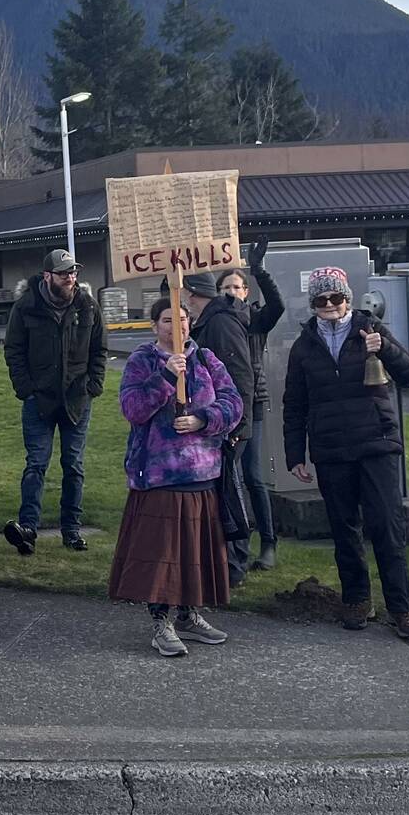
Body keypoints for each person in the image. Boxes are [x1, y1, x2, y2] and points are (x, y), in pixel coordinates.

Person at [283, 267, 409, 640]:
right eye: (321, 300)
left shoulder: (371, 330)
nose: (330, 305)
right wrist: (295, 454)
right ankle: (358, 599)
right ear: (312, 304)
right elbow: (294, 404)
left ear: (348, 298)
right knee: (345, 531)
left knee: (387, 528)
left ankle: (402, 607)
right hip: (331, 448)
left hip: (376, 443)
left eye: (337, 298)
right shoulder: (303, 346)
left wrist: (386, 348)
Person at [110, 295, 242, 657]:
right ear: (155, 326)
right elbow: (133, 408)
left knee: (194, 552)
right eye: (168, 320)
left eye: (182, 319)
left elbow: (233, 402)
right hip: (159, 474)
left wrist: (203, 419)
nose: (177, 326)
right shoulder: (142, 360)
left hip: (201, 472)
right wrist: (167, 376)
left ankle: (189, 615)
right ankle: (161, 622)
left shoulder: (206, 359)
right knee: (162, 554)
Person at [1, 248, 107, 553]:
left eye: (73, 272)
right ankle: (28, 528)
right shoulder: (26, 307)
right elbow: (14, 349)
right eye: (63, 273)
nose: (70, 278)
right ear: (47, 276)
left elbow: (100, 349)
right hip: (39, 399)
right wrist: (25, 389)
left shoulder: (87, 306)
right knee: (36, 464)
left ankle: (71, 529)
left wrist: (93, 386)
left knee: (73, 465)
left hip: (77, 397)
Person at [183, 271, 260, 583]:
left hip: (229, 424)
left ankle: (235, 566)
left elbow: (240, 374)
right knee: (226, 491)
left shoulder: (220, 323)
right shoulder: (214, 321)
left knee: (230, 493)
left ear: (193, 294)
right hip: (223, 421)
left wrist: (236, 423)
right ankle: (227, 563)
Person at [219, 260, 285, 570]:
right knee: (231, 475)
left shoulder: (255, 321)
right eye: (226, 288)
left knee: (253, 475)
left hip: (252, 403)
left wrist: (260, 270)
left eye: (236, 287)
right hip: (223, 405)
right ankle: (235, 544)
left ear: (246, 292)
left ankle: (268, 543)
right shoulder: (216, 320)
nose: (231, 293)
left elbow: (278, 306)